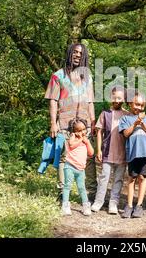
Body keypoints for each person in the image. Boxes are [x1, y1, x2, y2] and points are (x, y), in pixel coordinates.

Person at [44, 43, 97, 200]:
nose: (78, 55)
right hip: (65, 125)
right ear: (69, 54)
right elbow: (53, 100)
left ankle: (91, 193)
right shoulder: (58, 76)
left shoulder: (88, 77)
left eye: (81, 53)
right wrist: (53, 123)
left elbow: (91, 102)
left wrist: (93, 122)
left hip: (85, 124)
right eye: (75, 52)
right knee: (64, 157)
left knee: (89, 156)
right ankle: (62, 192)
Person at [91, 86, 129, 214]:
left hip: (122, 153)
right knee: (104, 178)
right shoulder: (105, 114)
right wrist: (99, 150)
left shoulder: (127, 115)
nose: (116, 100)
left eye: (119, 97)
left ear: (124, 99)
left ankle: (114, 202)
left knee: (118, 179)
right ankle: (98, 201)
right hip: (107, 152)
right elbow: (99, 132)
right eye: (114, 97)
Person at [119, 91, 146, 218]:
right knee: (132, 178)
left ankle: (139, 205)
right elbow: (125, 134)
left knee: (142, 178)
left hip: (145, 153)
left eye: (141, 105)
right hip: (132, 153)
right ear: (130, 103)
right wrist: (135, 124)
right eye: (136, 104)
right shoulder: (125, 118)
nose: (138, 107)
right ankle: (129, 206)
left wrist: (143, 124)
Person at [62, 118, 94, 216]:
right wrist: (80, 139)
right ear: (73, 131)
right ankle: (65, 205)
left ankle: (85, 205)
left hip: (80, 169)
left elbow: (91, 153)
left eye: (84, 129)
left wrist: (87, 142)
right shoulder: (72, 137)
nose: (82, 132)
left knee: (82, 188)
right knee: (67, 186)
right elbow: (71, 145)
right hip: (70, 166)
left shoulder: (85, 140)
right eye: (79, 131)